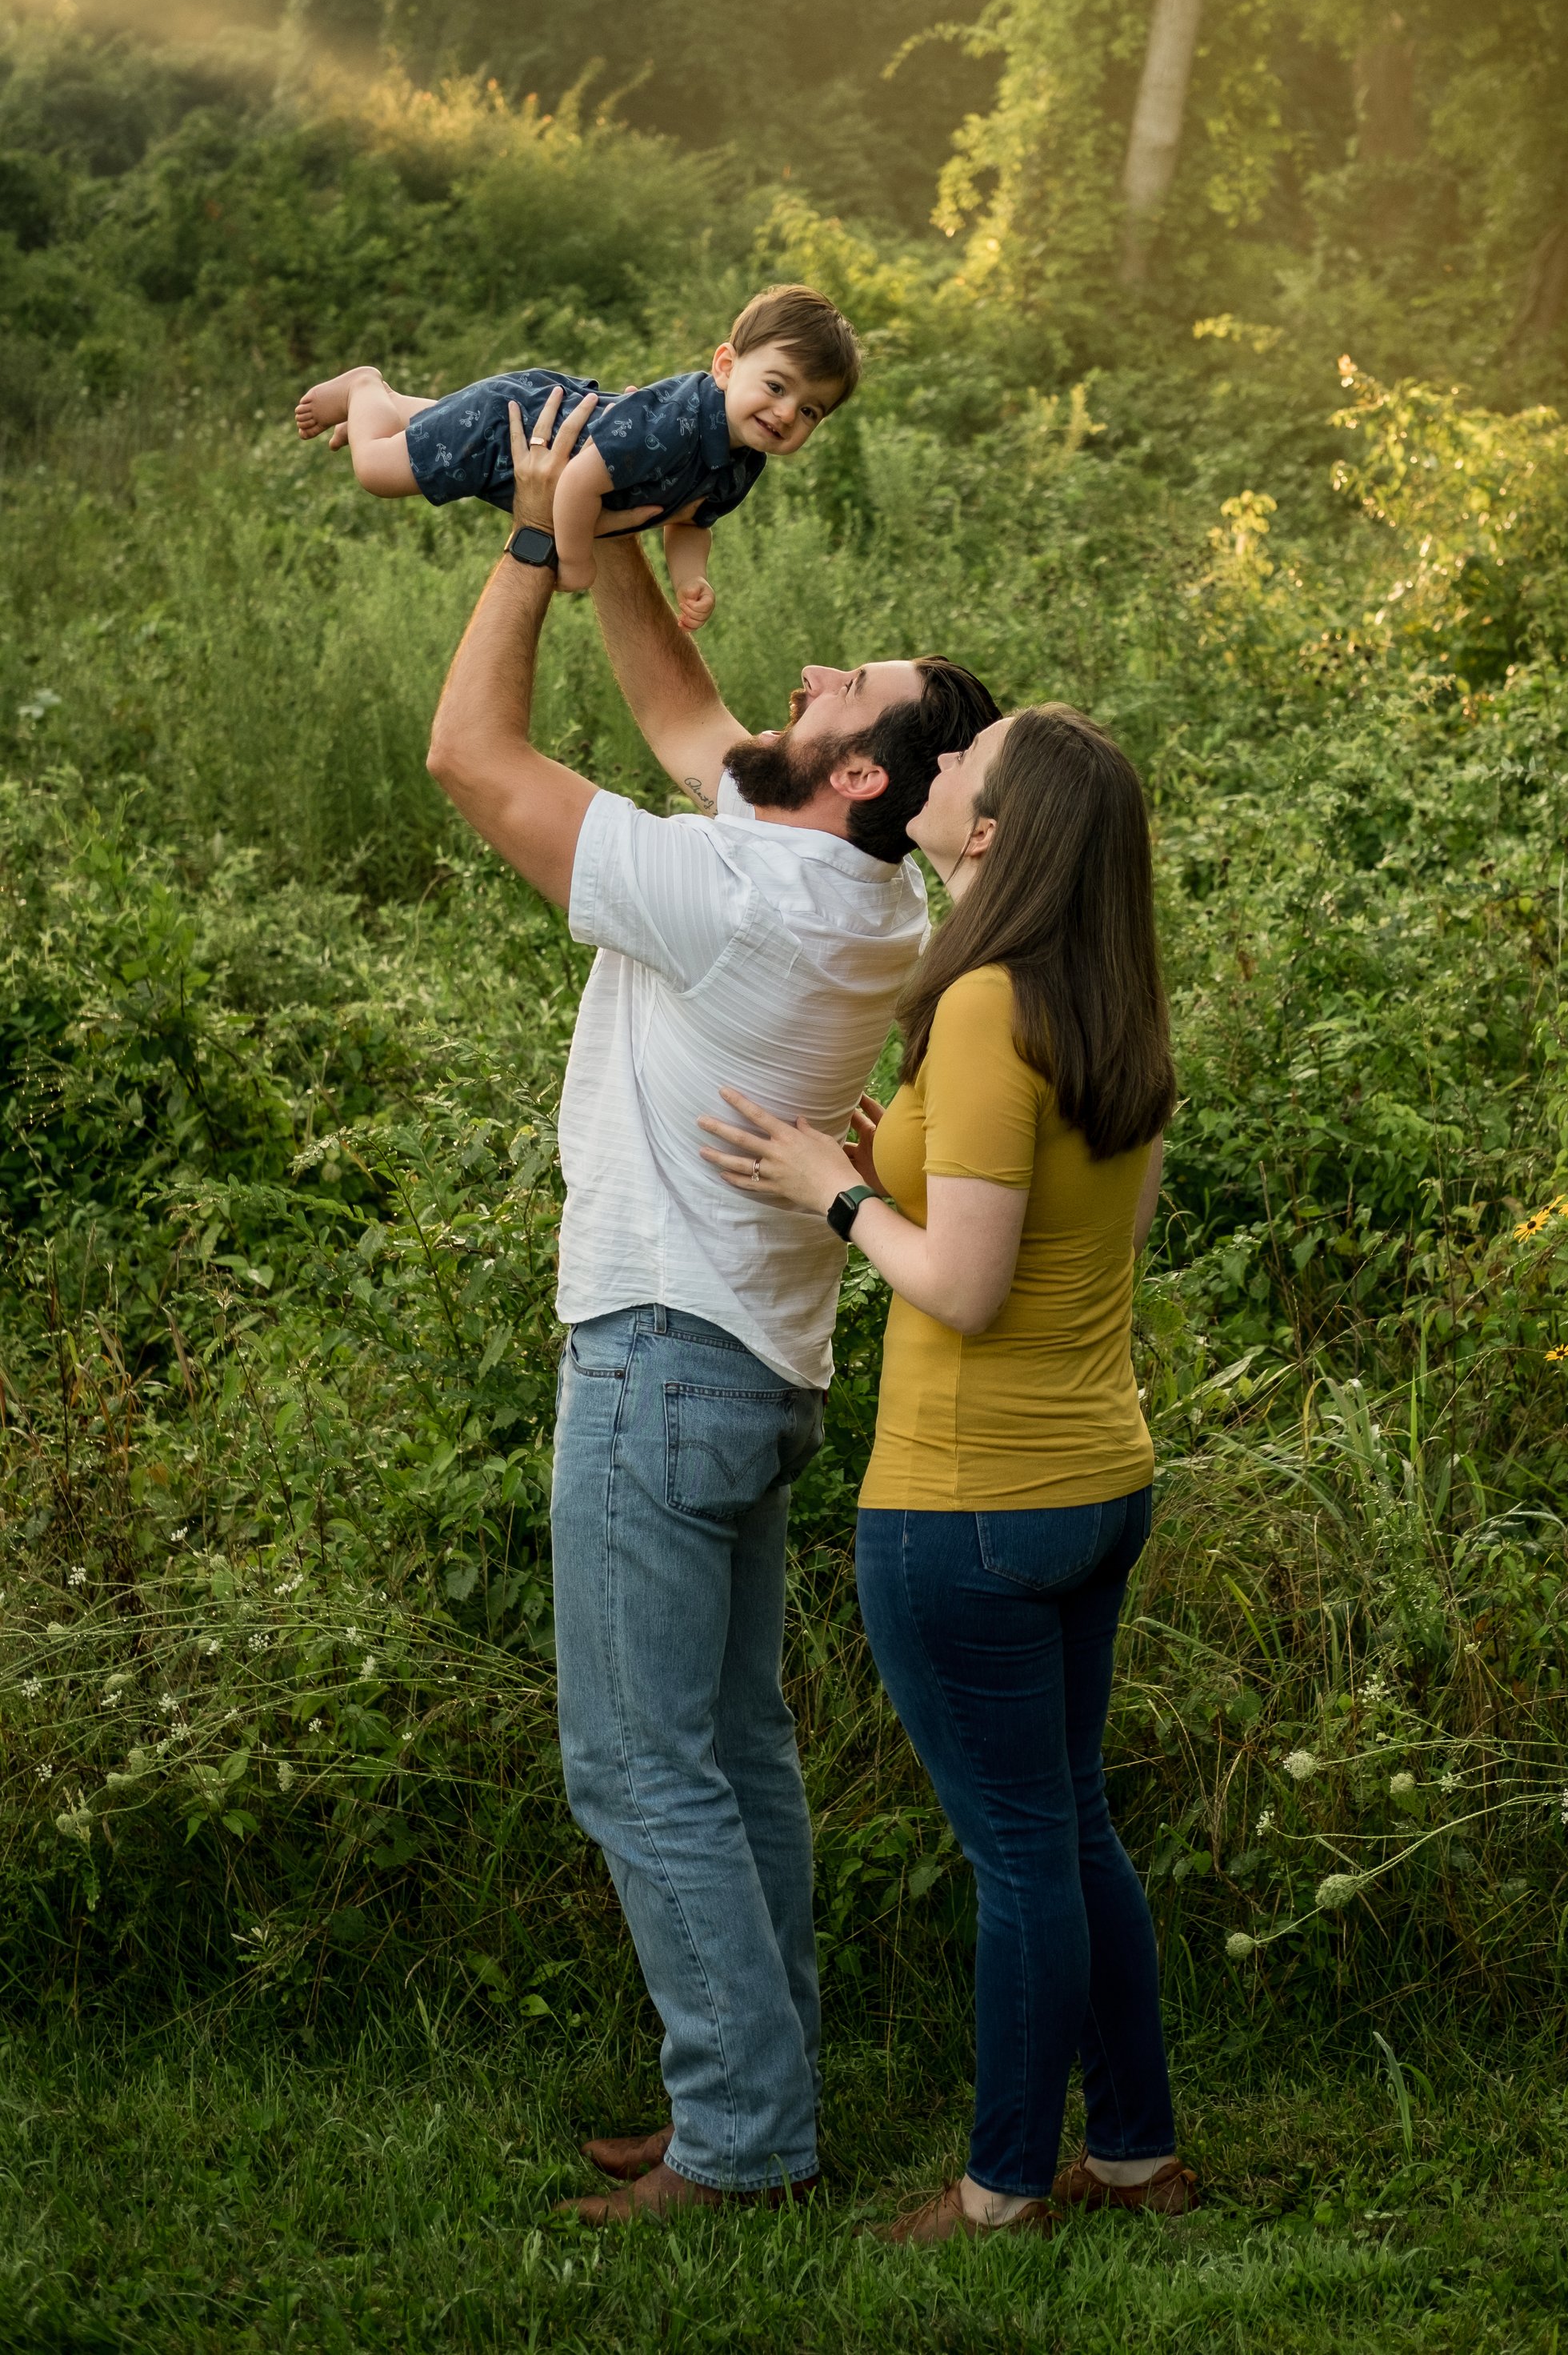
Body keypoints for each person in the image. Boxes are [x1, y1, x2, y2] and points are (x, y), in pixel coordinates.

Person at [423, 384, 997, 2217]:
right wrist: (606, 535)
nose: (808, 672)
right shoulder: (867, 899)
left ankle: (740, 2142)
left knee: (638, 1764)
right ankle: (752, 2101)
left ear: (853, 777)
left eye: (841, 693)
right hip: (754, 1372)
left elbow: (470, 756)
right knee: (736, 1761)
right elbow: (683, 708)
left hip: (663, 1360)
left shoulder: (734, 901)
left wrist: (531, 541)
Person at [701, 702, 1198, 2244]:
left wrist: (836, 1192)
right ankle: (1135, 2155)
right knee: (1075, 1827)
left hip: (973, 1502)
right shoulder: (1109, 1004)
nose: (940, 771)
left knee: (1020, 1857)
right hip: (1094, 1476)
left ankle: (998, 2192)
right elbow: (1078, 1234)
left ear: (991, 835)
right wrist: (890, 1152)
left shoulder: (986, 1005)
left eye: (967, 772)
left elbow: (969, 1288)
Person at [295, 282, 859, 617]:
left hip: (527, 417)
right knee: (377, 471)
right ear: (726, 366)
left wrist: (691, 577)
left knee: (437, 429)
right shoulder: (680, 420)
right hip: (511, 425)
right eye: (777, 386)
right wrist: (576, 559)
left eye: (810, 410)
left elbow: (692, 522)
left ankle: (384, 411)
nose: (787, 413)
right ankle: (366, 388)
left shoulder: (743, 461)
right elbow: (577, 484)